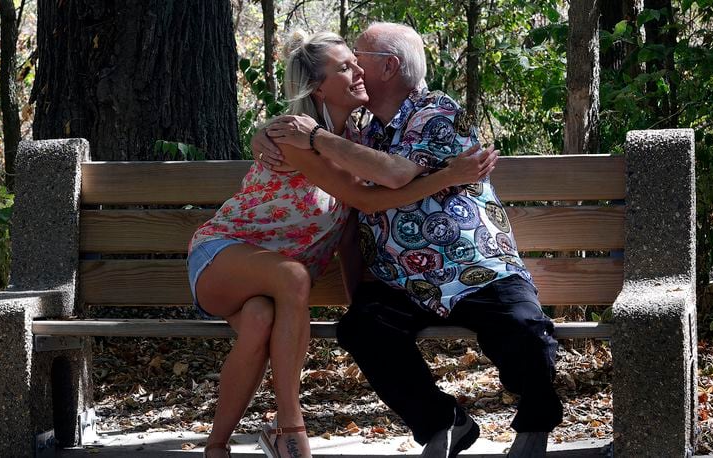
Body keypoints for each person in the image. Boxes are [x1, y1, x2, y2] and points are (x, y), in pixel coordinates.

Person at [259, 22, 562, 458]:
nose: (355, 67)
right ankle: (444, 422)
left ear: (389, 67)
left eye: (359, 57)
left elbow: (394, 173)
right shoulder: (363, 130)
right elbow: (319, 152)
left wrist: (314, 137)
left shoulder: (435, 111)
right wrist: (263, 136)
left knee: (523, 329)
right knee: (362, 330)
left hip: (475, 266)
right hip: (402, 281)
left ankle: (536, 424)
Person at [190, 30, 498, 458]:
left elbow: (352, 230)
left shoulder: (356, 143)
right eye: (344, 67)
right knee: (293, 275)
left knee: (261, 319)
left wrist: (361, 301)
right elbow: (367, 197)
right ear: (318, 86)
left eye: (358, 63)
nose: (358, 72)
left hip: (275, 289)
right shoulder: (294, 138)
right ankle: (291, 429)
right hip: (222, 257)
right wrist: (445, 177)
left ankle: (216, 447)